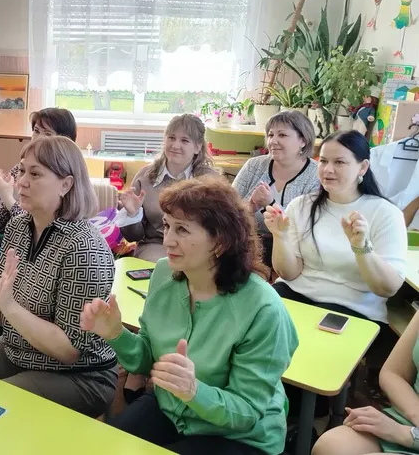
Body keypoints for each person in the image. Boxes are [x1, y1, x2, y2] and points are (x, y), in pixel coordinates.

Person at [80, 177, 298, 455]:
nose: (167, 240)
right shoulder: (164, 273)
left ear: (221, 241)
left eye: (182, 229)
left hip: (240, 435)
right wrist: (116, 334)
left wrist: (194, 391)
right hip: (173, 409)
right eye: (167, 226)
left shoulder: (263, 307)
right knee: (99, 448)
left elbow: (246, 412)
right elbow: (148, 360)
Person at [0, 136, 118, 417]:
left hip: (79, 375)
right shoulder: (19, 226)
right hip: (18, 350)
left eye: (35, 174)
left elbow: (68, 350)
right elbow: (2, 318)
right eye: (22, 170)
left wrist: (8, 304)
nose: (21, 182)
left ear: (66, 185)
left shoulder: (84, 248)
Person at [265, 130, 407, 417]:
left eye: (339, 162)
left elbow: (388, 288)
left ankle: (301, 416)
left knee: (305, 358)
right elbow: (289, 273)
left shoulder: (384, 213)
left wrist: (361, 247)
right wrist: (280, 237)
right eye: (324, 161)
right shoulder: (302, 205)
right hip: (297, 293)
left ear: (362, 167)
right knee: (257, 324)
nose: (328, 170)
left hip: (353, 307)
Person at [0, 108, 77, 344]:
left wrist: (11, 200)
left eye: (47, 133)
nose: (38, 138)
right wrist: (6, 195)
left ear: (65, 141)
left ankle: (2, 335)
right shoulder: (20, 169)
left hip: (46, 248)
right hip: (14, 245)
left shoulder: (63, 176)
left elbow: (43, 228)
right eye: (36, 131)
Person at [116, 113, 219, 263]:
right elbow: (133, 237)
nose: (175, 145)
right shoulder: (144, 177)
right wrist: (132, 215)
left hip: (198, 248)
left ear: (198, 147)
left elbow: (222, 227)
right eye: (171, 138)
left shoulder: (211, 181)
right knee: (163, 267)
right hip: (157, 245)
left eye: (184, 140)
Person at [313, 310, 419, 455]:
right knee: (330, 446)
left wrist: (409, 435)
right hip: (409, 417)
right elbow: (393, 373)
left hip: (409, 432)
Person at [233, 110, 319, 267]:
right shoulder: (254, 165)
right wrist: (250, 207)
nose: (273, 141)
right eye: (270, 135)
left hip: (293, 252)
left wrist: (270, 204)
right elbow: (227, 211)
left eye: (282, 135)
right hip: (247, 246)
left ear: (303, 140)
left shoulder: (316, 174)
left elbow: (304, 228)